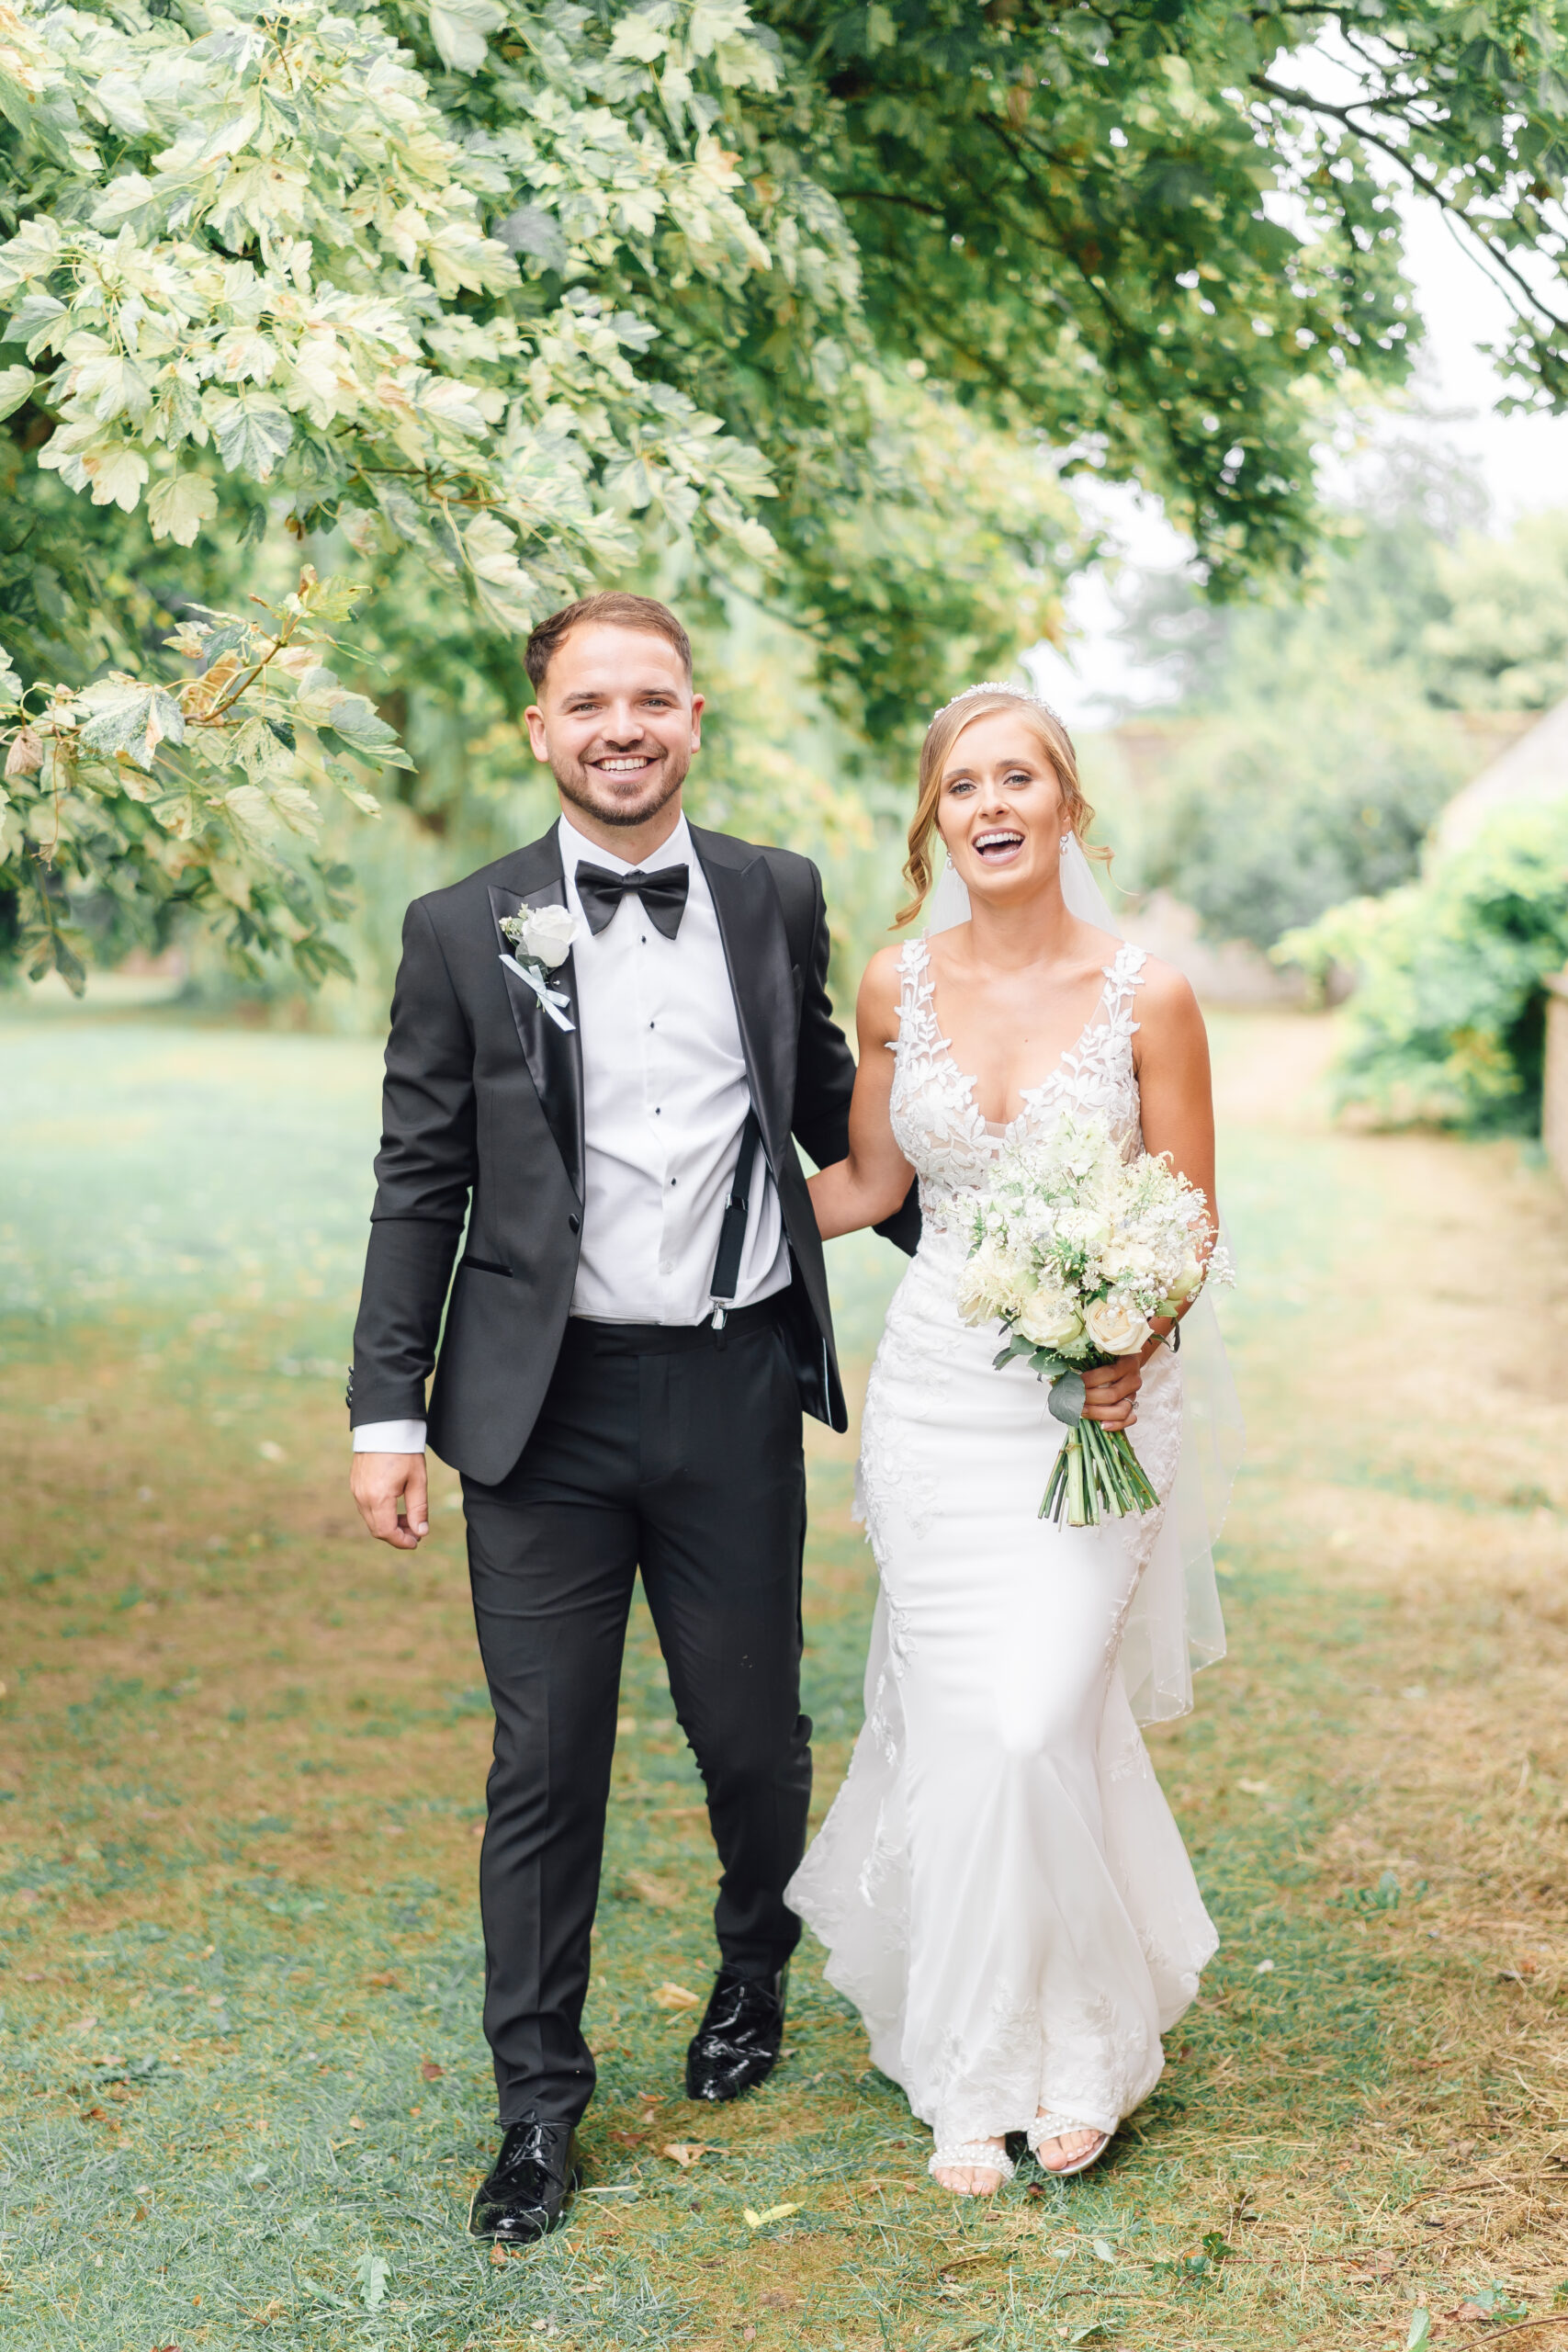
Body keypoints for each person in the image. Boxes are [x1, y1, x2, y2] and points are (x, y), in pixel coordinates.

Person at [346, 593, 916, 2245]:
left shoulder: (770, 895)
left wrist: (1011, 1269)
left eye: (650, 699)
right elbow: (419, 1181)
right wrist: (388, 1410)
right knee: (547, 1761)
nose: (621, 727)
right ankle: (537, 2109)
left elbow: (833, 1115)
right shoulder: (464, 928)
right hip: (541, 1412)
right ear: (540, 729)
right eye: (587, 702)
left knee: (750, 1738)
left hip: (734, 1386)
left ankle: (752, 1973)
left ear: (691, 715)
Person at [786, 684, 1235, 2195]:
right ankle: (981, 2066)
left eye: (1019, 779)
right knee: (972, 1725)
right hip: (933, 1406)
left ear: (1065, 810)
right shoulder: (895, 987)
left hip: (1089, 1414)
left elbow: (1190, 1219)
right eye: (961, 783)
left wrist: (1132, 1337)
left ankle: (1093, 2039)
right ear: (934, 819)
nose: (989, 804)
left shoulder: (1148, 995)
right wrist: (687, 1222)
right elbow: (860, 1182)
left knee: (1041, 1715)